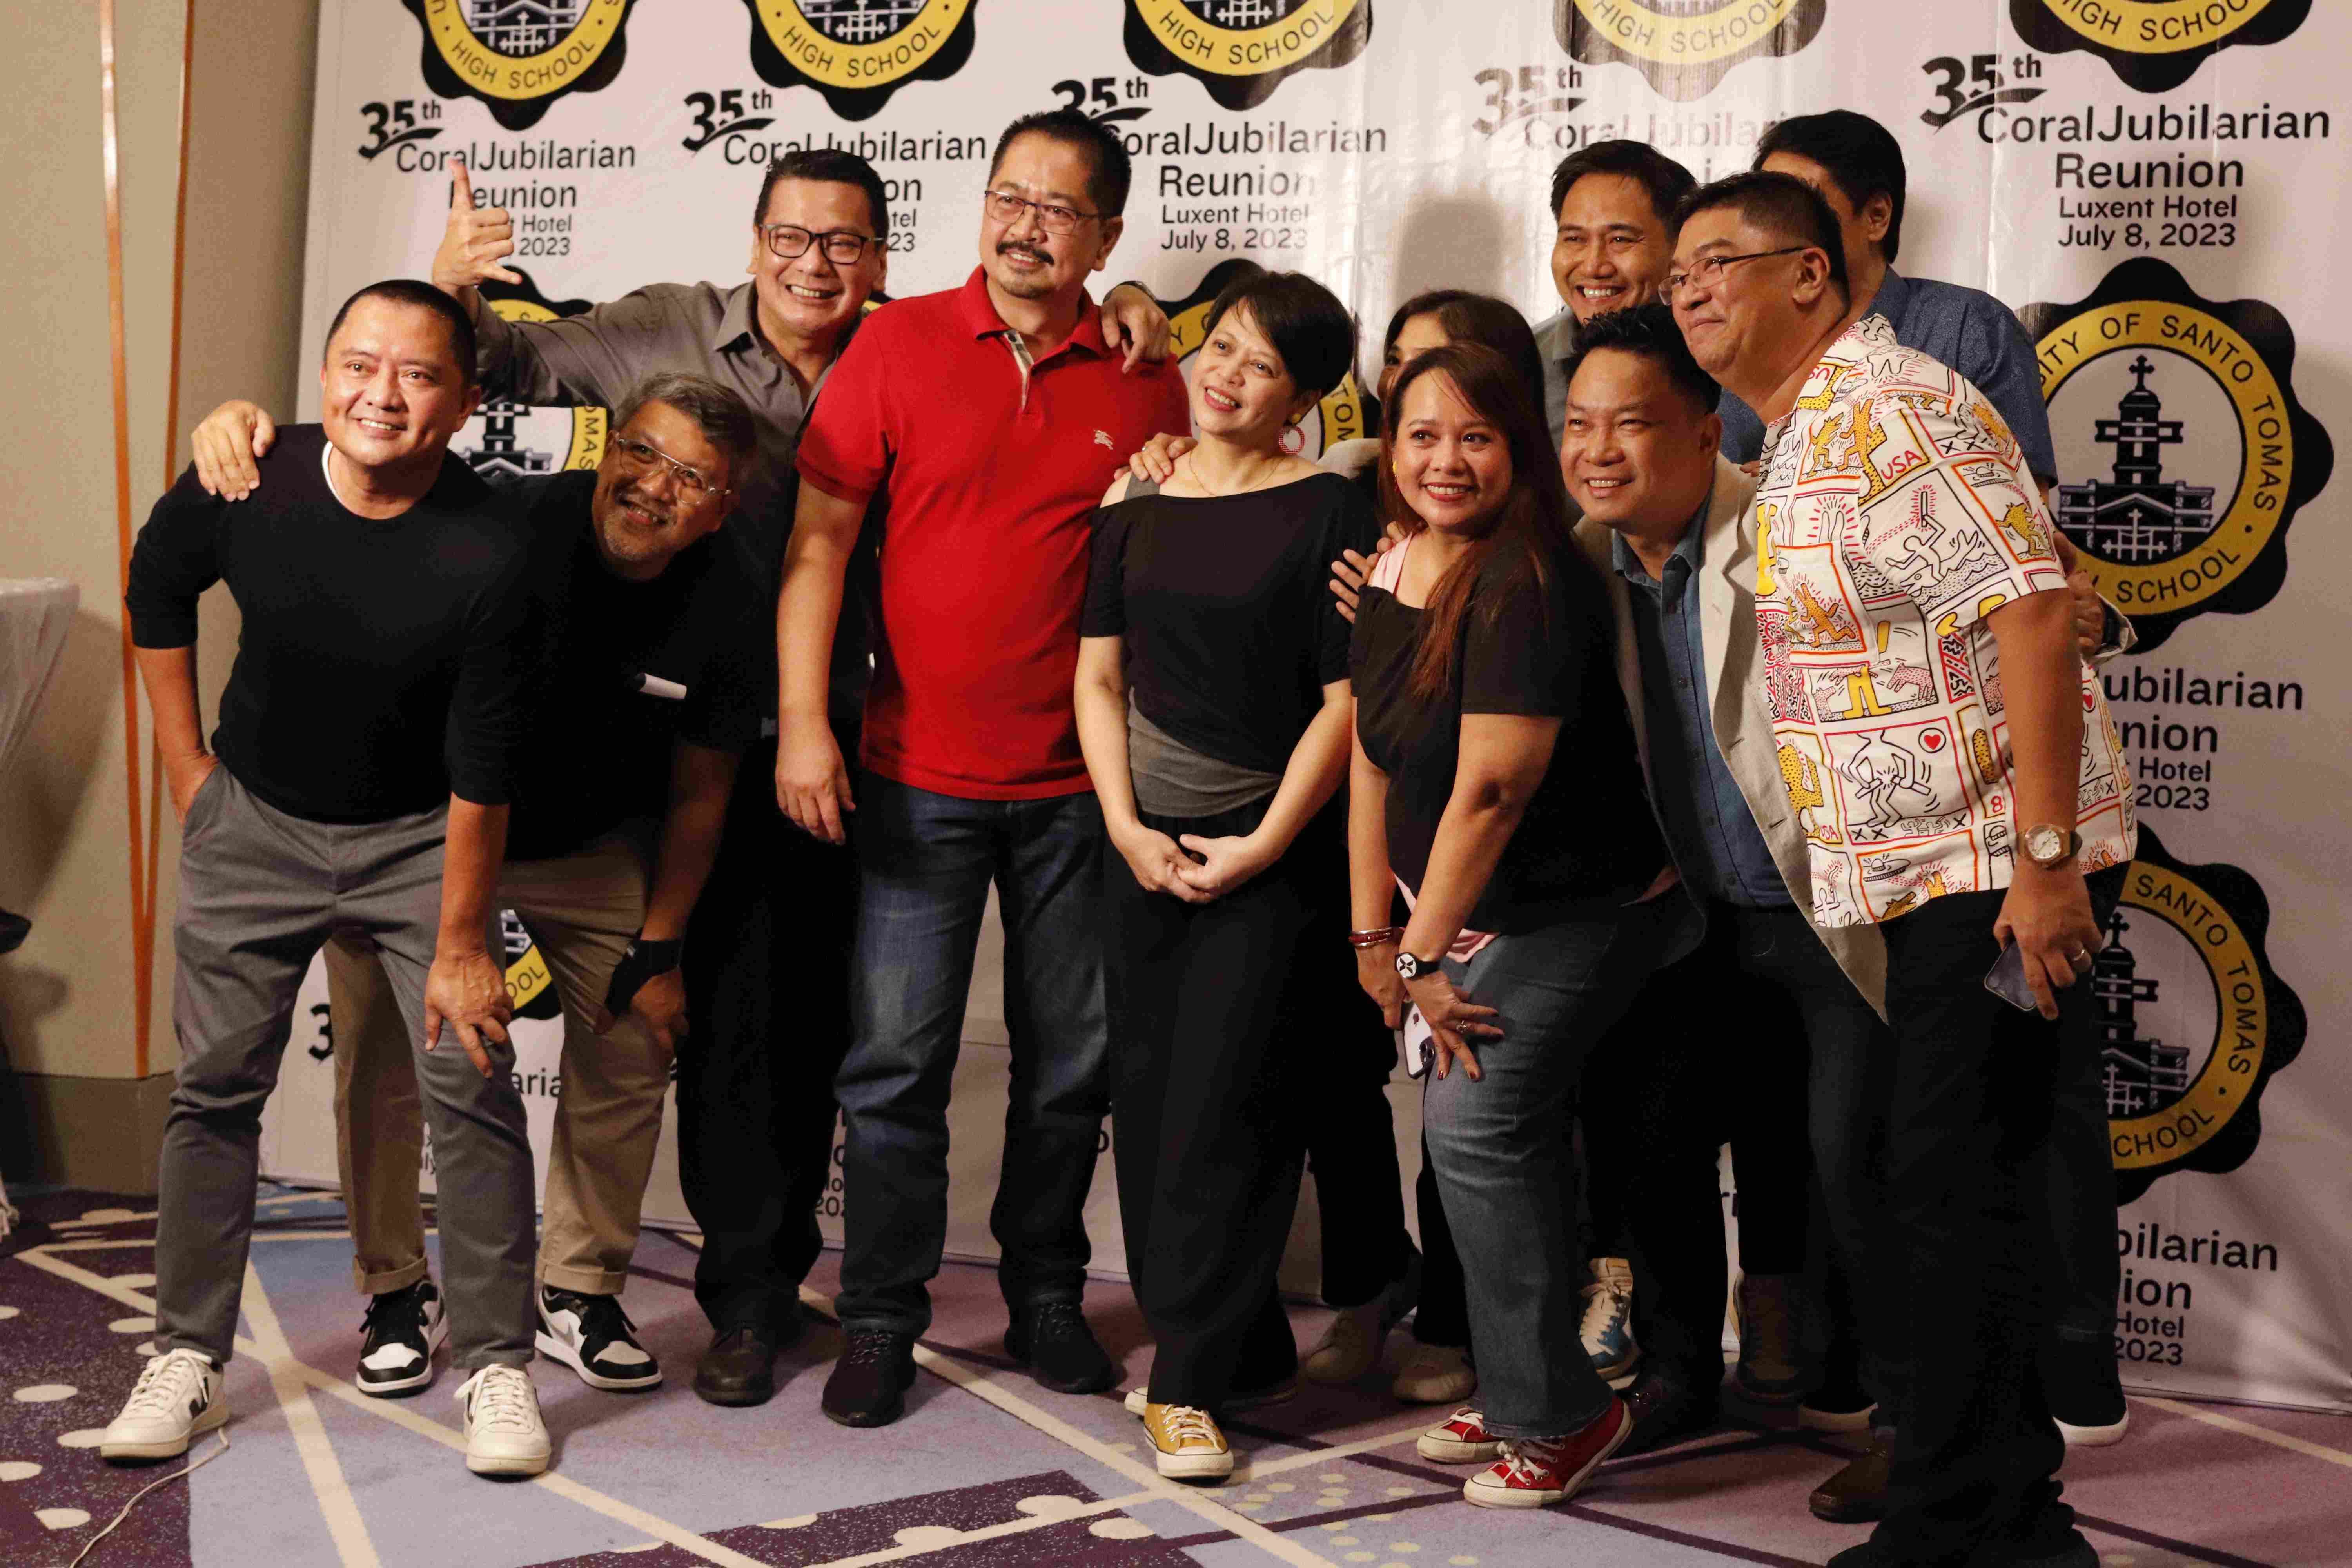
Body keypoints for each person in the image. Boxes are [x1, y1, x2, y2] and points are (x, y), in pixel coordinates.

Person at [187, 149, 1172, 1407]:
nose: (813, 262)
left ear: (881, 258)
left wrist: (1125, 304)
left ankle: (701, 1285)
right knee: (573, 1027)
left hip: (821, 739)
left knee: (782, 1028)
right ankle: (642, 1293)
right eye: (790, 236)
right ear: (753, 238)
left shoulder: (911, 346)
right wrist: (443, 300)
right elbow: (492, 370)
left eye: (845, 243)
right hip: (622, 747)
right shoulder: (664, 339)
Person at [1669, 171, 2134, 1568]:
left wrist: (2043, 863)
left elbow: (2033, 615)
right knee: (1938, 1186)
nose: (1688, 290)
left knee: (1950, 1190)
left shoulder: (1893, 407)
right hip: (1916, 875)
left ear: (1809, 273)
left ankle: (1966, 1522)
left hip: (1991, 868)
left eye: (1716, 261)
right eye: (1677, 273)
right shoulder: (1801, 426)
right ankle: (2005, 1515)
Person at [212, 375, 759, 1400]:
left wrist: (661, 945)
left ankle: (578, 1288)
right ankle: (395, 1288)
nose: (654, 486)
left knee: (637, 1029)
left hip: (591, 846)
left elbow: (702, 792)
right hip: (430, 829)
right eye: (642, 452)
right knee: (384, 1042)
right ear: (607, 449)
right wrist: (248, 428)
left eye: (691, 477)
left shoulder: (732, 594)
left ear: (723, 507)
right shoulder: (502, 524)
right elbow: (368, 477)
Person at [777, 108, 1191, 1429]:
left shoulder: (1145, 373)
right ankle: (881, 1317)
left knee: (1069, 1070)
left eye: (1059, 210)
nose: (1024, 227)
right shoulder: (895, 342)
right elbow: (819, 545)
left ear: (1105, 238)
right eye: (1008, 197)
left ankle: (1048, 1297)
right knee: (894, 1067)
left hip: (1083, 788)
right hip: (914, 777)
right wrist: (804, 720)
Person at [111, 282, 550, 1477]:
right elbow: (156, 588)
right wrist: (187, 772)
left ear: (463, 402)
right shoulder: (247, 479)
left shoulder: (495, 546)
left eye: (416, 375)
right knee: (213, 1091)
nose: (381, 395)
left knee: (471, 1083)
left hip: (422, 838)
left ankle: (499, 1362)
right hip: (255, 824)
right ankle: (186, 1354)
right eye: (359, 365)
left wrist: (463, 943)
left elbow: (486, 764)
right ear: (323, 376)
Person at [1348, 341, 1683, 1509]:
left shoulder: (1526, 577)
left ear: (1519, 449)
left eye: (1475, 437)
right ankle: (1525, 1382)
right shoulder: (1397, 562)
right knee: (1488, 1140)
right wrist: (1372, 940)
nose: (1445, 461)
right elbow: (1371, 758)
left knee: (1478, 1127)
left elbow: (1493, 788)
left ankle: (1561, 1411)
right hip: (1458, 918)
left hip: (1574, 910)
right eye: (1421, 435)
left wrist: (1420, 954)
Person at [1074, 267, 1377, 1479]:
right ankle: (1241, 1346)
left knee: (1230, 1112)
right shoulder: (1133, 505)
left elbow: (1344, 704)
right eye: (1221, 349)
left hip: (1270, 860)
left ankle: (1185, 1382)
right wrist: (1122, 825)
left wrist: (1264, 843)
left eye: (1261, 365)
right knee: (1154, 1111)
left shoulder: (1330, 510)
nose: (1226, 376)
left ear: (1300, 399)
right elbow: (1097, 678)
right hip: (1139, 852)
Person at [1716, 110, 2058, 491]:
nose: (1773, 230)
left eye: (1799, 208)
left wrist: (1809, 484)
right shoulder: (1727, 336)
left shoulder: (1971, 327)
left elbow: (2023, 505)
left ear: (1877, 217)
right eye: (1764, 212)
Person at [1533, 141, 1699, 444]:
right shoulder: (1519, 363)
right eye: (1574, 239)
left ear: (1679, 245)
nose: (1594, 266)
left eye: (1620, 240)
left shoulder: (1726, 357)